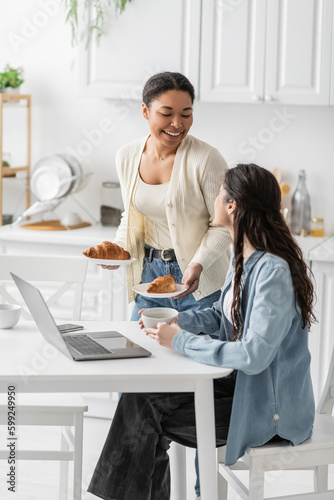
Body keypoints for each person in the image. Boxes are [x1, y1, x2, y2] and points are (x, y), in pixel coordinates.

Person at [88, 163, 316, 500]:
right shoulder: (243, 256)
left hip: (267, 412)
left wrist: (179, 340)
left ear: (231, 206)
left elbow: (253, 355)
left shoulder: (272, 271)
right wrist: (176, 322)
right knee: (141, 400)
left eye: (220, 191)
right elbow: (223, 318)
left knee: (142, 414)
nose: (214, 197)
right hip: (238, 391)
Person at [103, 72, 231, 498]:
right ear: (145, 112)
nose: (177, 123)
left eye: (186, 113)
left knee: (200, 395)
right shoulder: (126, 156)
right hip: (148, 280)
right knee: (139, 389)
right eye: (166, 113)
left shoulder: (206, 159)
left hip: (199, 283)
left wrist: (195, 265)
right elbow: (130, 217)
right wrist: (118, 252)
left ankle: (202, 492)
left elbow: (225, 225)